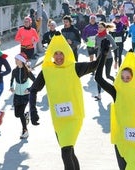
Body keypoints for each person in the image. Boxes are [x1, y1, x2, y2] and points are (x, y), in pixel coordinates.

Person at [29, 31, 102, 170]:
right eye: (55, 53)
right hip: (59, 119)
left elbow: (94, 65)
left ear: (66, 53)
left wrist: (103, 53)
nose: (58, 57)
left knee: (65, 152)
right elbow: (33, 90)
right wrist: (33, 110)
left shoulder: (74, 67)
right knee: (69, 151)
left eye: (61, 53)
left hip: (74, 117)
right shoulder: (47, 70)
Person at [95, 38, 135, 170]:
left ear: (134, 78)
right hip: (121, 139)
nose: (125, 80)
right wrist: (104, 54)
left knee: (134, 165)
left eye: (128, 78)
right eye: (122, 77)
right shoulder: (115, 92)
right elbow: (98, 78)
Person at [10, 52, 35, 139]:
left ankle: (25, 131)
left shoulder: (27, 71)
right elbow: (11, 81)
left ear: (21, 61)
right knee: (17, 114)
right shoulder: (14, 71)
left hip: (25, 96)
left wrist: (29, 89)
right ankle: (26, 117)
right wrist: (11, 87)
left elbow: (35, 82)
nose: (15, 61)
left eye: (17, 59)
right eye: (15, 59)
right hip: (17, 95)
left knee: (20, 113)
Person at [94, 21, 117, 100]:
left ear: (105, 28)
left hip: (108, 58)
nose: (99, 29)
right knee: (98, 76)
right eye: (98, 27)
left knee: (107, 76)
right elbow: (96, 46)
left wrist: (107, 49)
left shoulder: (108, 36)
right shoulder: (97, 36)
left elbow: (115, 46)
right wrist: (95, 47)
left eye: (101, 27)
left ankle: (115, 81)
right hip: (99, 58)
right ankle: (99, 94)